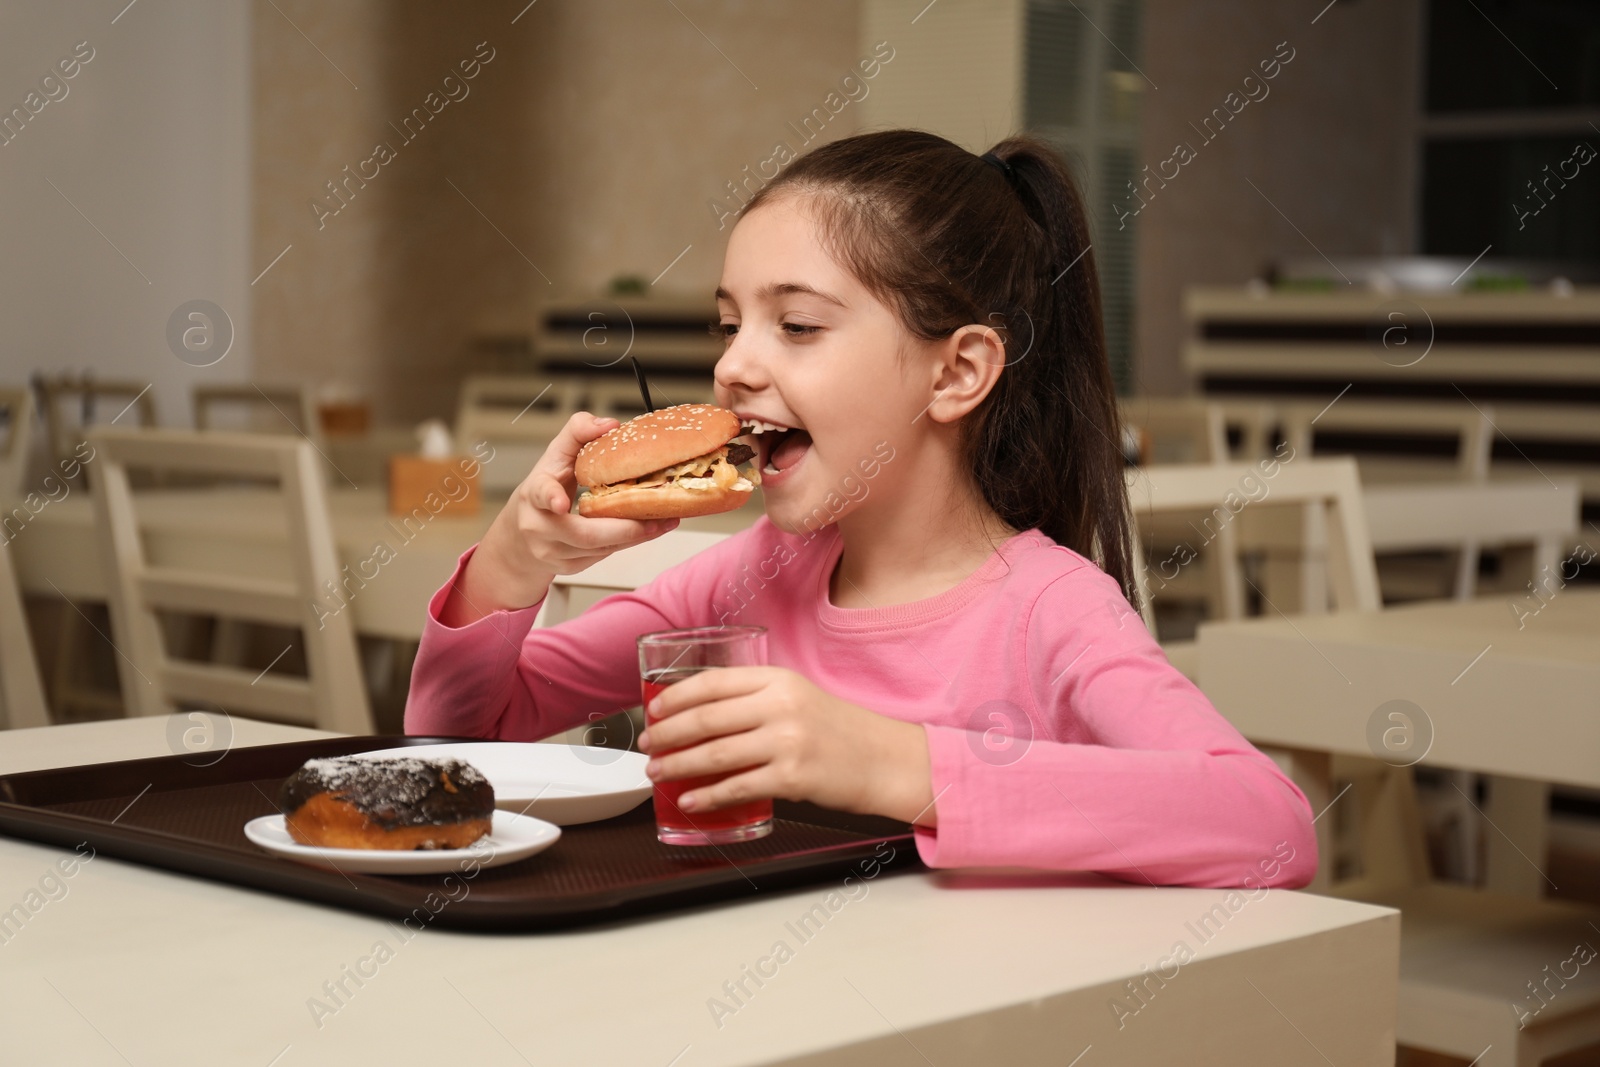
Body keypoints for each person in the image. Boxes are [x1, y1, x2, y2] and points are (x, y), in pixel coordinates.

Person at [406, 129, 1317, 888]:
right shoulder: (748, 574)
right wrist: (516, 556)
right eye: (731, 324)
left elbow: (1272, 825)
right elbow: (460, 742)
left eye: (797, 325)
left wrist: (892, 763)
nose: (733, 366)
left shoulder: (1050, 610)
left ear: (957, 371)